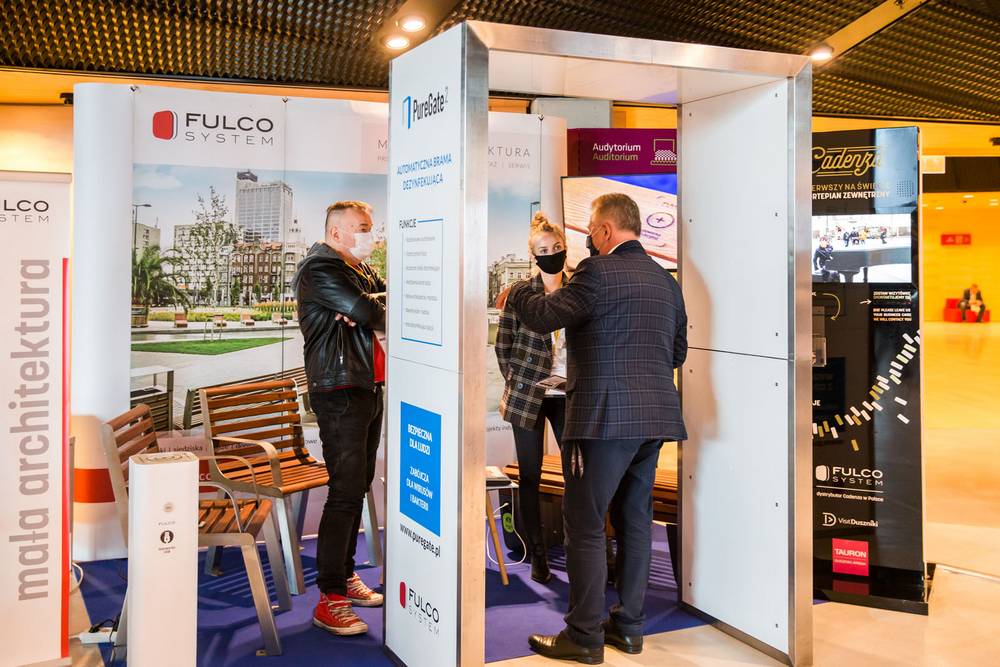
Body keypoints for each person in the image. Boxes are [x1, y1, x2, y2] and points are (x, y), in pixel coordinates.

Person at [507, 193, 687, 664]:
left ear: (605, 230)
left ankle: (584, 635)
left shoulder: (596, 272)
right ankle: (628, 628)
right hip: (654, 419)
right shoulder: (665, 281)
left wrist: (521, 288)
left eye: (590, 229)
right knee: (634, 521)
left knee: (585, 524)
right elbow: (677, 353)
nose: (588, 237)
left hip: (602, 421)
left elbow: (542, 316)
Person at [293, 201, 386, 636]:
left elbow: (383, 302)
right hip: (340, 390)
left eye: (370, 227)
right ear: (336, 232)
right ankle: (329, 598)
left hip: (366, 386)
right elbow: (372, 313)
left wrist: (367, 304)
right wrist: (365, 308)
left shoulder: (359, 270)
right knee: (345, 492)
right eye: (362, 228)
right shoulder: (320, 269)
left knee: (358, 487)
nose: (371, 235)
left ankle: (345, 576)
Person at [495, 212, 569, 584]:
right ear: (533, 255)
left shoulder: (579, 289)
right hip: (528, 393)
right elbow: (503, 344)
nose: (551, 254)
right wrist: (520, 380)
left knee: (578, 473)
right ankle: (537, 554)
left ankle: (581, 547)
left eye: (556, 247)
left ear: (565, 248)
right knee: (530, 474)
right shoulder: (521, 293)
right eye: (544, 250)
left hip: (569, 393)